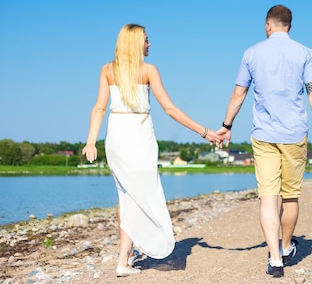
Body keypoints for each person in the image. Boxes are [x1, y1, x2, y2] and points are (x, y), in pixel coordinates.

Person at [81, 24, 220, 278]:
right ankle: (125, 258)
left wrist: (91, 141)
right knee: (139, 195)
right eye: (146, 39)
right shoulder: (147, 70)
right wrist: (204, 131)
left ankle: (126, 256)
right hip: (138, 136)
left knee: (127, 196)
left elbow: (99, 108)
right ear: (135, 43)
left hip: (115, 137)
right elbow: (170, 109)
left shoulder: (107, 70)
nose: (150, 43)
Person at [215, 5, 312, 278]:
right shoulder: (305, 53)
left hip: (264, 136)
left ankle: (276, 260)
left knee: (268, 197)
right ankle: (287, 246)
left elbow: (238, 93)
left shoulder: (251, 53)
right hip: (294, 134)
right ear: (289, 25)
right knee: (290, 196)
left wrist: (226, 126)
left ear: (268, 25)